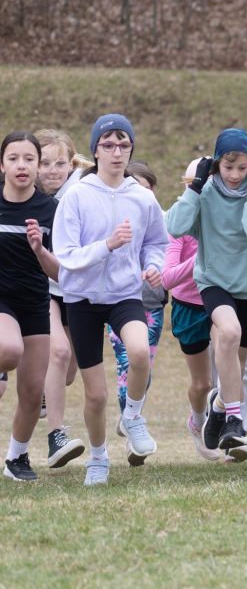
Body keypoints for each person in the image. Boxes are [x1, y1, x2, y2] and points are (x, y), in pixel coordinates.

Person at [52, 115, 168, 485]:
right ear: (95, 150)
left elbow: (157, 242)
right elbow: (66, 254)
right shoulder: (76, 195)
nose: (117, 152)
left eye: (124, 145)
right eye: (108, 145)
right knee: (96, 396)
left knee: (139, 353)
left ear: (131, 149)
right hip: (81, 299)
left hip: (124, 294)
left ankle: (132, 415)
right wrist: (108, 245)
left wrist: (153, 265)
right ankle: (98, 457)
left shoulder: (142, 197)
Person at [165, 128, 247, 460]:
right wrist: (194, 188)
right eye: (228, 167)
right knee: (228, 332)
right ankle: (233, 421)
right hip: (214, 281)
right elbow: (174, 226)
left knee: (236, 364)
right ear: (216, 164)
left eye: (242, 168)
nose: (235, 175)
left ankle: (219, 406)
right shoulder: (203, 193)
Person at [1, 132, 60, 481]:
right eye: (13, 158)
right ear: (2, 164)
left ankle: (16, 458)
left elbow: (59, 273)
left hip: (34, 303)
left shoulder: (51, 210)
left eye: (29, 159)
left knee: (33, 391)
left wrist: (40, 249)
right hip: (1, 300)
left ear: (38, 166)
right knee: (8, 350)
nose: (21, 165)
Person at [161, 159, 223, 462]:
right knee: (203, 384)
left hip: (221, 300)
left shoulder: (227, 218)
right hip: (188, 306)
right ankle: (198, 422)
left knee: (230, 368)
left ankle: (229, 428)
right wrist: (202, 258)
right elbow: (167, 278)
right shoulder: (178, 224)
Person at [35, 129, 89, 469]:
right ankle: (56, 436)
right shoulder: (22, 194)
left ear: (71, 164)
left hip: (75, 289)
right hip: (41, 288)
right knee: (59, 352)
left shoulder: (83, 191)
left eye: (59, 164)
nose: (52, 171)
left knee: (68, 373)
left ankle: (43, 387)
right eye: (44, 163)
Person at [106, 162, 167, 446]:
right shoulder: (115, 222)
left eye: (145, 188)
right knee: (125, 362)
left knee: (144, 368)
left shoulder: (162, 221)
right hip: (119, 304)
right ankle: (130, 421)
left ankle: (130, 415)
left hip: (153, 307)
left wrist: (160, 272)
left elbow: (168, 257)